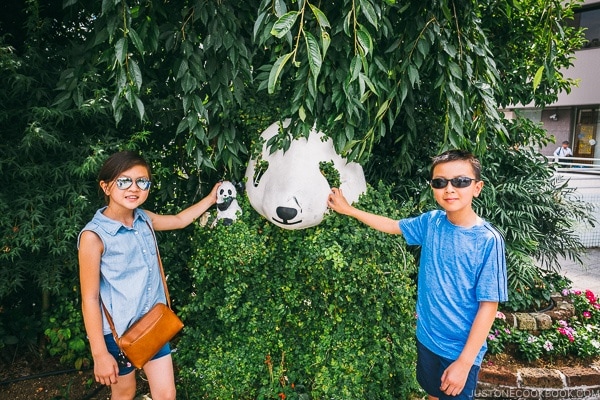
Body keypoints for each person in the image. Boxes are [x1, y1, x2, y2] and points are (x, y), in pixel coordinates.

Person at [327, 150, 507, 400]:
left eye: (461, 181)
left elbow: (489, 305)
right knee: (433, 394)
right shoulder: (431, 222)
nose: (450, 189)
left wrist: (464, 363)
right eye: (440, 182)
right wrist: (350, 211)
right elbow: (393, 225)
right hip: (427, 338)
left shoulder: (488, 240)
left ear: (477, 188)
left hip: (458, 350)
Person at [78, 151, 221, 400]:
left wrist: (210, 199)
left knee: (166, 394)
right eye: (124, 181)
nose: (134, 188)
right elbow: (89, 299)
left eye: (142, 182)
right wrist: (99, 354)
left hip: (153, 324)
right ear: (106, 186)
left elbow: (178, 220)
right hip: (117, 335)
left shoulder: (144, 219)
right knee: (124, 392)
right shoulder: (94, 237)